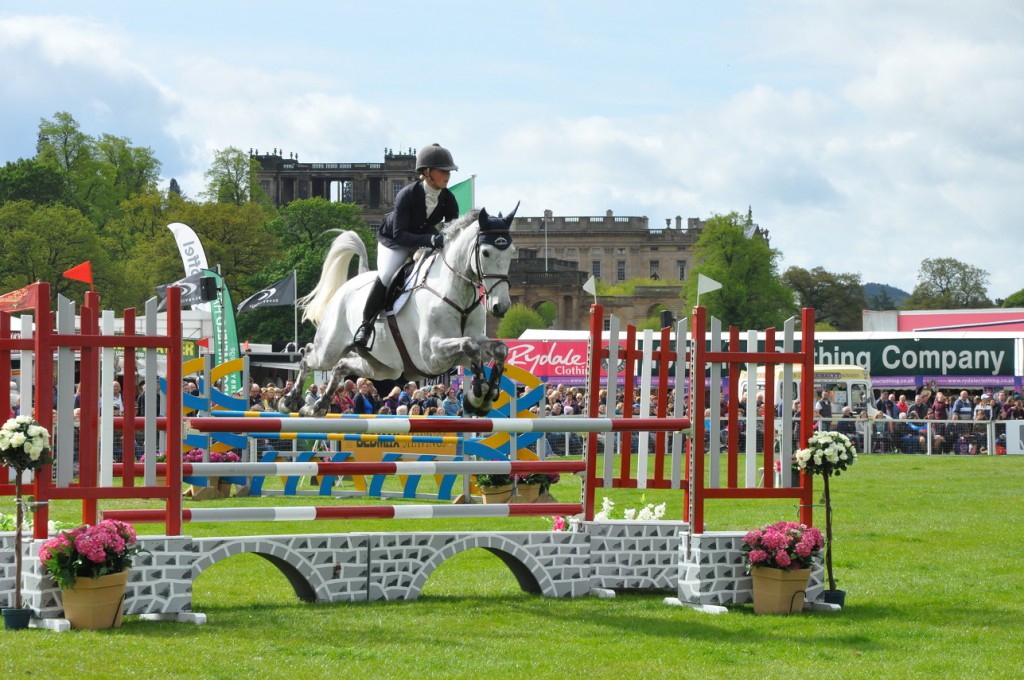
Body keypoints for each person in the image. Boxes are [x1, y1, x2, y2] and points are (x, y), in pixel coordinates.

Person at [353, 143, 460, 348]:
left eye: (449, 171)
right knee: (387, 275)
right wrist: (430, 241)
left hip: (423, 237)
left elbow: (451, 226)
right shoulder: (407, 194)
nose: (448, 175)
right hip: (394, 241)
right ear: (427, 172)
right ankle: (365, 326)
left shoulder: (448, 197)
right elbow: (400, 234)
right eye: (443, 171)